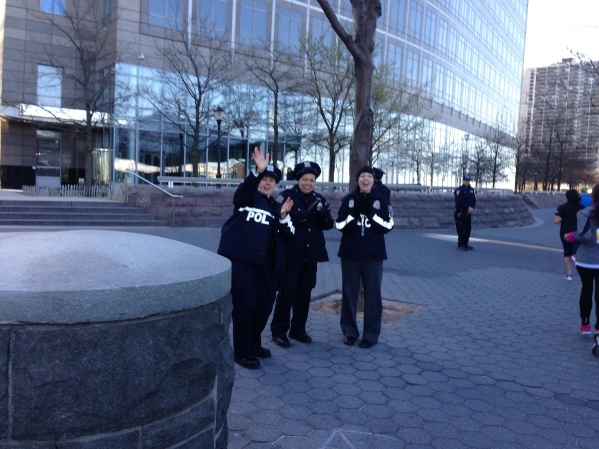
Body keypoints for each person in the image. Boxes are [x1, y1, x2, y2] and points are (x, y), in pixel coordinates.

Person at [217, 147, 294, 370]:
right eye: (264, 178)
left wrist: (283, 217)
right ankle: (242, 352)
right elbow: (242, 191)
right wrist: (256, 173)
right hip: (241, 258)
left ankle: (254, 343)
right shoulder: (248, 197)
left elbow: (286, 235)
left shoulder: (276, 207)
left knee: (264, 304)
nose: (267, 183)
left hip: (265, 264)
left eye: (271, 180)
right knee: (245, 306)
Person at [270, 161, 334, 347]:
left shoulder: (319, 198)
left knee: (304, 294)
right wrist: (306, 213)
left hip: (310, 256)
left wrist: (324, 216)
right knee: (286, 293)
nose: (308, 183)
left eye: (311, 180)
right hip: (291, 254)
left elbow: (328, 225)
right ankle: (279, 330)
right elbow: (279, 219)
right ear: (298, 179)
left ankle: (298, 329)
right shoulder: (286, 197)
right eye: (305, 179)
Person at [335, 166, 394, 348]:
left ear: (373, 180)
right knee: (349, 294)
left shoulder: (382, 200)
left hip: (373, 255)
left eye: (369, 176)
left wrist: (371, 214)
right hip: (350, 254)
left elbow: (388, 224)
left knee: (373, 296)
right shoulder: (348, 200)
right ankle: (350, 332)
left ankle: (371, 334)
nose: (366, 179)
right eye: (362, 176)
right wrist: (353, 217)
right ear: (358, 180)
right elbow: (339, 225)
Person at [564, 184, 599, 352]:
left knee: (586, 290)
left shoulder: (584, 213)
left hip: (586, 260)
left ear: (592, 197)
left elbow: (584, 236)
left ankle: (585, 325)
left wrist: (572, 236)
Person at [554, 189, 584, 281]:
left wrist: (561, 219)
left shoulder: (562, 207)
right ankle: (580, 268)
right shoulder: (582, 207)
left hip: (565, 233)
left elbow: (556, 221)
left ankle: (569, 275)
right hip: (578, 233)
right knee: (576, 251)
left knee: (567, 252)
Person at [454, 174, 476, 251]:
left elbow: (473, 201)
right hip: (460, 212)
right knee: (461, 228)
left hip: (468, 213)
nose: (467, 182)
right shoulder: (459, 190)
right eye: (465, 180)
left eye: (468, 180)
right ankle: (461, 244)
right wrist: (468, 207)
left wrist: (472, 208)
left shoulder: (471, 190)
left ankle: (465, 243)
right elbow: (458, 202)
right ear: (462, 181)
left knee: (468, 229)